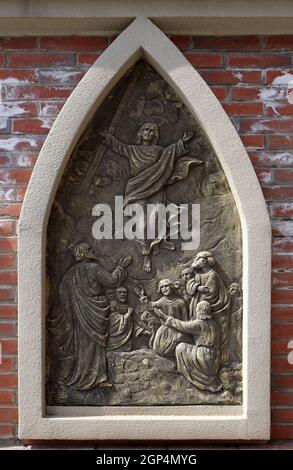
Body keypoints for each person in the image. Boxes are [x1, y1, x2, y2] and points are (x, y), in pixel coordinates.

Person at [99, 122, 201, 271]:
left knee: (155, 219)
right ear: (140, 133)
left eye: (152, 131)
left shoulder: (160, 151)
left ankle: (158, 241)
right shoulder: (132, 150)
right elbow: (119, 147)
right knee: (141, 222)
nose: (148, 132)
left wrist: (182, 142)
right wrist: (107, 137)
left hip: (155, 188)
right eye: (146, 129)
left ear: (155, 135)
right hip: (136, 189)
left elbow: (170, 154)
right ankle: (146, 253)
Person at [48, 242, 132, 391]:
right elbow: (112, 281)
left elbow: (62, 292)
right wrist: (121, 267)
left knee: (83, 345)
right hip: (95, 311)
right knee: (95, 346)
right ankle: (97, 378)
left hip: (81, 313)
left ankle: (83, 376)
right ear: (84, 253)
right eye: (89, 249)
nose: (92, 251)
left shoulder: (70, 273)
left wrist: (73, 309)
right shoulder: (93, 268)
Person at [155, 300, 223, 393]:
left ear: (199, 310)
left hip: (204, 357)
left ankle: (197, 377)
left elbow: (183, 326)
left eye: (197, 309)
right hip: (215, 357)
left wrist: (165, 317)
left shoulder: (200, 323)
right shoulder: (213, 324)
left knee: (180, 347)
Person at [186, 251, 231, 364]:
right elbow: (190, 287)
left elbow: (211, 292)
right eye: (197, 259)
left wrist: (200, 291)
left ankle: (209, 358)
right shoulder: (198, 275)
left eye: (200, 259)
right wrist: (197, 287)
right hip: (197, 306)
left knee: (204, 332)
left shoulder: (212, 275)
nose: (197, 261)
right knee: (196, 330)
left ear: (207, 261)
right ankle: (198, 353)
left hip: (207, 308)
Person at [140, 279, 189, 358]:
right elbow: (152, 305)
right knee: (157, 349)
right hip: (165, 329)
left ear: (171, 287)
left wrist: (182, 331)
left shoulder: (180, 302)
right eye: (162, 287)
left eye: (166, 286)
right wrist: (145, 301)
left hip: (177, 328)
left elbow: (185, 320)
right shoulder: (162, 300)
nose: (164, 289)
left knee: (171, 349)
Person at [107, 287, 134, 351]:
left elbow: (134, 321)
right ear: (116, 295)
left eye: (124, 292)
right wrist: (127, 315)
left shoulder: (127, 307)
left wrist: (140, 330)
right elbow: (114, 319)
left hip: (125, 340)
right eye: (120, 292)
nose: (122, 294)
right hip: (114, 339)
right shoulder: (112, 305)